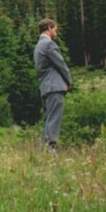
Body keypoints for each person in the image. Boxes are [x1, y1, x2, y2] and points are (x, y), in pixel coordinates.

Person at [33, 18, 72, 152]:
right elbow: (61, 64)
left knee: (48, 119)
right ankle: (51, 148)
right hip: (54, 87)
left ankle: (43, 149)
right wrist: (69, 81)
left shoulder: (38, 45)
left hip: (45, 87)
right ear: (49, 28)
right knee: (54, 118)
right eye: (55, 29)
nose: (56, 32)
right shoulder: (48, 44)